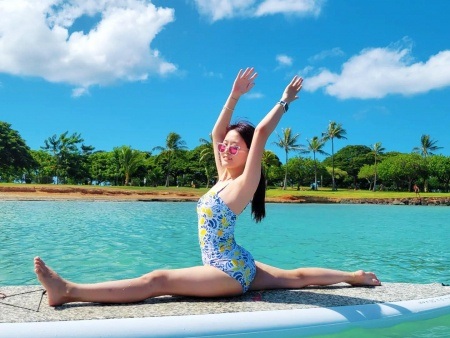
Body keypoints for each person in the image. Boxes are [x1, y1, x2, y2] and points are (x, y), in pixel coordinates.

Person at [34, 67, 381, 307]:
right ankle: (353, 276)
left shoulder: (246, 182)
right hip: (239, 260)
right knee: (296, 276)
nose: (226, 149)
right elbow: (216, 134)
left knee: (158, 280)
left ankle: (67, 291)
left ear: (248, 155)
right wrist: (233, 96)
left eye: (235, 147)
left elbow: (259, 133)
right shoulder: (223, 178)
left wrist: (284, 100)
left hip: (227, 272)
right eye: (226, 146)